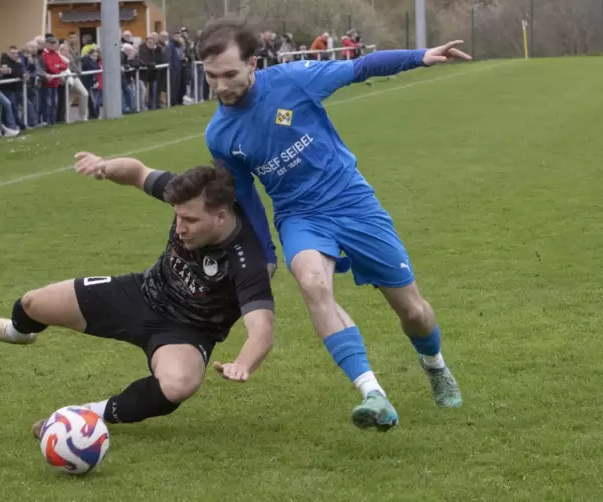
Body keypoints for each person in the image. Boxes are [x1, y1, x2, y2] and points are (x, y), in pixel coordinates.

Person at [199, 17, 469, 432]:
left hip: (352, 201)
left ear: (253, 64)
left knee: (412, 310)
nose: (220, 86)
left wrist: (420, 57)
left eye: (230, 74)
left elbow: (359, 68)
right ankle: (372, 394)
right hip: (299, 215)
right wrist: (266, 254)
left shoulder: (292, 80)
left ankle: (434, 365)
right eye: (211, 76)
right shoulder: (219, 134)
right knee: (311, 282)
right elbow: (246, 198)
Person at [0, 154, 275, 437]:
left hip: (186, 331)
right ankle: (16, 333)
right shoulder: (188, 194)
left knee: (179, 384)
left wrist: (244, 363)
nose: (180, 227)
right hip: (140, 293)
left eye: (190, 221)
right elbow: (138, 172)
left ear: (221, 217)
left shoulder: (247, 260)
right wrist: (105, 166)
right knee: (33, 303)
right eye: (177, 216)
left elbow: (261, 330)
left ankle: (85, 416)